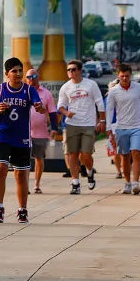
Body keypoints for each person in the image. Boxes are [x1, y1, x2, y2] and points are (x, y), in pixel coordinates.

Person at [0, 58, 45, 223]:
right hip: (2, 136)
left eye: (20, 70)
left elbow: (39, 105)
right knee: (1, 169)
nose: (18, 74)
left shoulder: (28, 90)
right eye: (14, 71)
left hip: (22, 138)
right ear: (7, 74)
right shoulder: (0, 90)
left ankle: (23, 210)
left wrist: (40, 107)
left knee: (20, 174)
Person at [104, 64, 140, 195]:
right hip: (121, 127)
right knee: (124, 157)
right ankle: (127, 183)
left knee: (136, 153)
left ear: (131, 75)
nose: (125, 78)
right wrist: (108, 127)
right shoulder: (113, 91)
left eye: (127, 76)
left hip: (137, 126)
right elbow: (109, 110)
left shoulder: (138, 88)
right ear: (118, 76)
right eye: (122, 76)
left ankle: (135, 183)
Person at [57, 60, 106, 194]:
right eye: (68, 70)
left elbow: (99, 103)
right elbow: (60, 106)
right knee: (72, 154)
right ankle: (75, 183)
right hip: (72, 124)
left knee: (86, 155)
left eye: (73, 69)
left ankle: (89, 172)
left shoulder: (91, 84)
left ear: (79, 71)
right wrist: (67, 113)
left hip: (88, 124)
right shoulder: (65, 87)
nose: (70, 72)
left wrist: (102, 120)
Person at [26, 68, 59, 194]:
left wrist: (55, 128)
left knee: (39, 159)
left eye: (34, 77)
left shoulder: (46, 93)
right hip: (25, 132)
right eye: (29, 77)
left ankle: (36, 184)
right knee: (25, 160)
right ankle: (25, 185)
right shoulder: (23, 92)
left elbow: (52, 112)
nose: (31, 79)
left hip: (41, 132)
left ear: (38, 77)